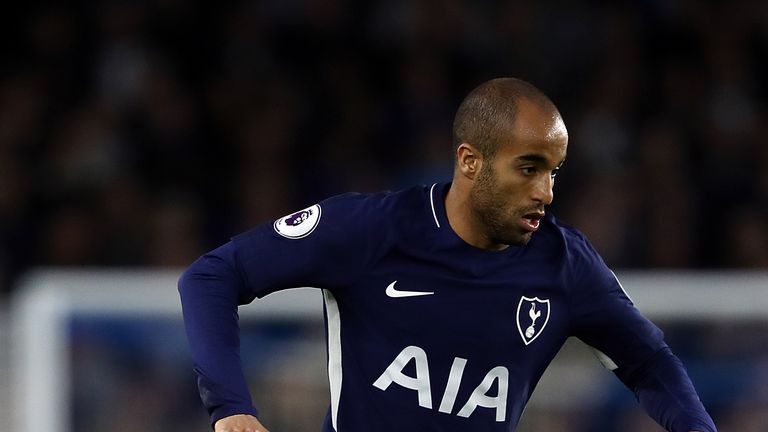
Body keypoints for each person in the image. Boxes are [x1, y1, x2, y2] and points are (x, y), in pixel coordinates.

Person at [179, 77, 717, 432]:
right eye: (528, 168)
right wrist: (231, 410)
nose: (546, 192)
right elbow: (211, 277)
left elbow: (649, 362)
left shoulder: (567, 266)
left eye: (554, 172)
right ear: (470, 161)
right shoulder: (372, 229)